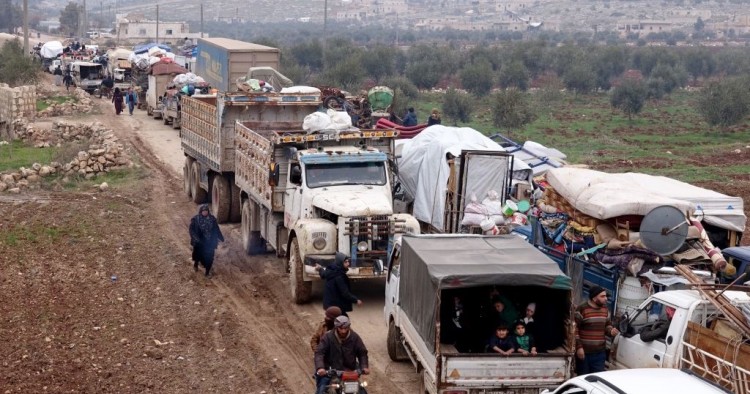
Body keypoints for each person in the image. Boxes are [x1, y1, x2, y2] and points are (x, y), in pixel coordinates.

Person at [314, 316, 369, 394]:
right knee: (322, 389)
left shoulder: (354, 337)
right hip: (331, 371)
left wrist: (364, 366)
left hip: (350, 371)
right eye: (341, 328)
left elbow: (362, 353)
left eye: (346, 328)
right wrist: (320, 368)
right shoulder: (328, 337)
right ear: (336, 327)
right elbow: (319, 353)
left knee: (362, 392)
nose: (343, 331)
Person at [575, 286, 619, 375]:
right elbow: (574, 329)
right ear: (594, 298)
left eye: (606, 296)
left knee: (596, 379)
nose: (606, 299)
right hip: (584, 353)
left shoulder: (605, 310)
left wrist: (611, 331)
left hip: (599, 354)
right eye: (602, 296)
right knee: (583, 379)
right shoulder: (582, 309)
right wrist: (579, 348)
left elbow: (607, 325)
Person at [188, 204, 225, 278]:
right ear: (201, 211)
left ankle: (207, 273)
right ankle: (196, 264)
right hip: (200, 242)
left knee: (210, 257)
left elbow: (216, 229)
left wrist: (221, 237)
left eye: (206, 211)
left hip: (210, 242)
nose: (205, 212)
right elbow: (191, 230)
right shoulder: (196, 219)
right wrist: (196, 239)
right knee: (198, 255)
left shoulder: (212, 219)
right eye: (203, 211)